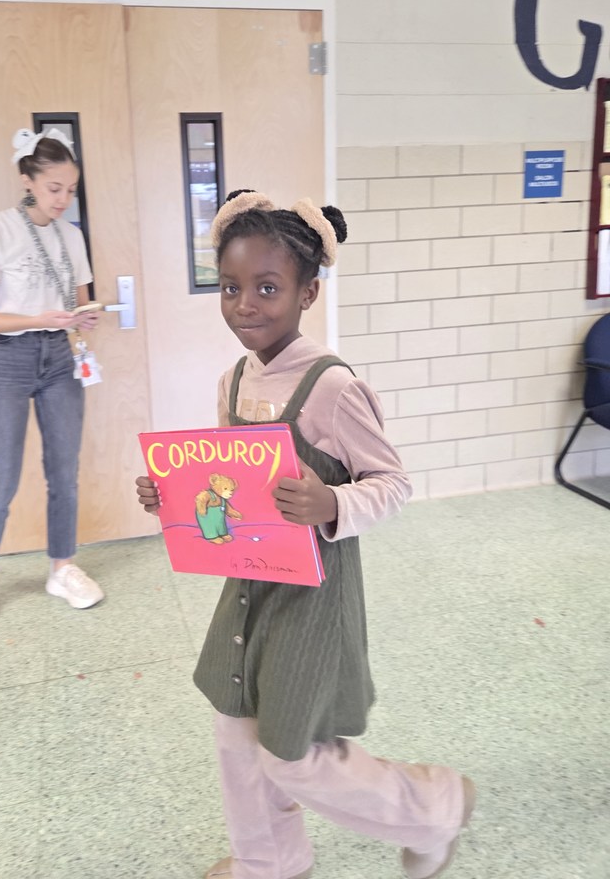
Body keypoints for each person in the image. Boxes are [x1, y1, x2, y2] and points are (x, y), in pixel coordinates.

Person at [135, 190, 475, 879]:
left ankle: (433, 808)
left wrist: (331, 504)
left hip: (311, 598)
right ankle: (268, 862)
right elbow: (227, 490)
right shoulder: (230, 381)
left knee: (290, 750)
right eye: (231, 288)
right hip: (248, 588)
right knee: (236, 731)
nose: (245, 305)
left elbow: (393, 484)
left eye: (267, 287)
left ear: (308, 291)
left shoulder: (333, 387)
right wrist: (171, 497)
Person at [0, 127, 105, 638]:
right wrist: (35, 317)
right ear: (28, 181)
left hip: (59, 359)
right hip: (4, 361)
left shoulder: (72, 236)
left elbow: (80, 302)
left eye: (70, 190)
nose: (63, 199)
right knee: (0, 482)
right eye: (54, 188)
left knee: (64, 472)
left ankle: (62, 568)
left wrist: (83, 318)